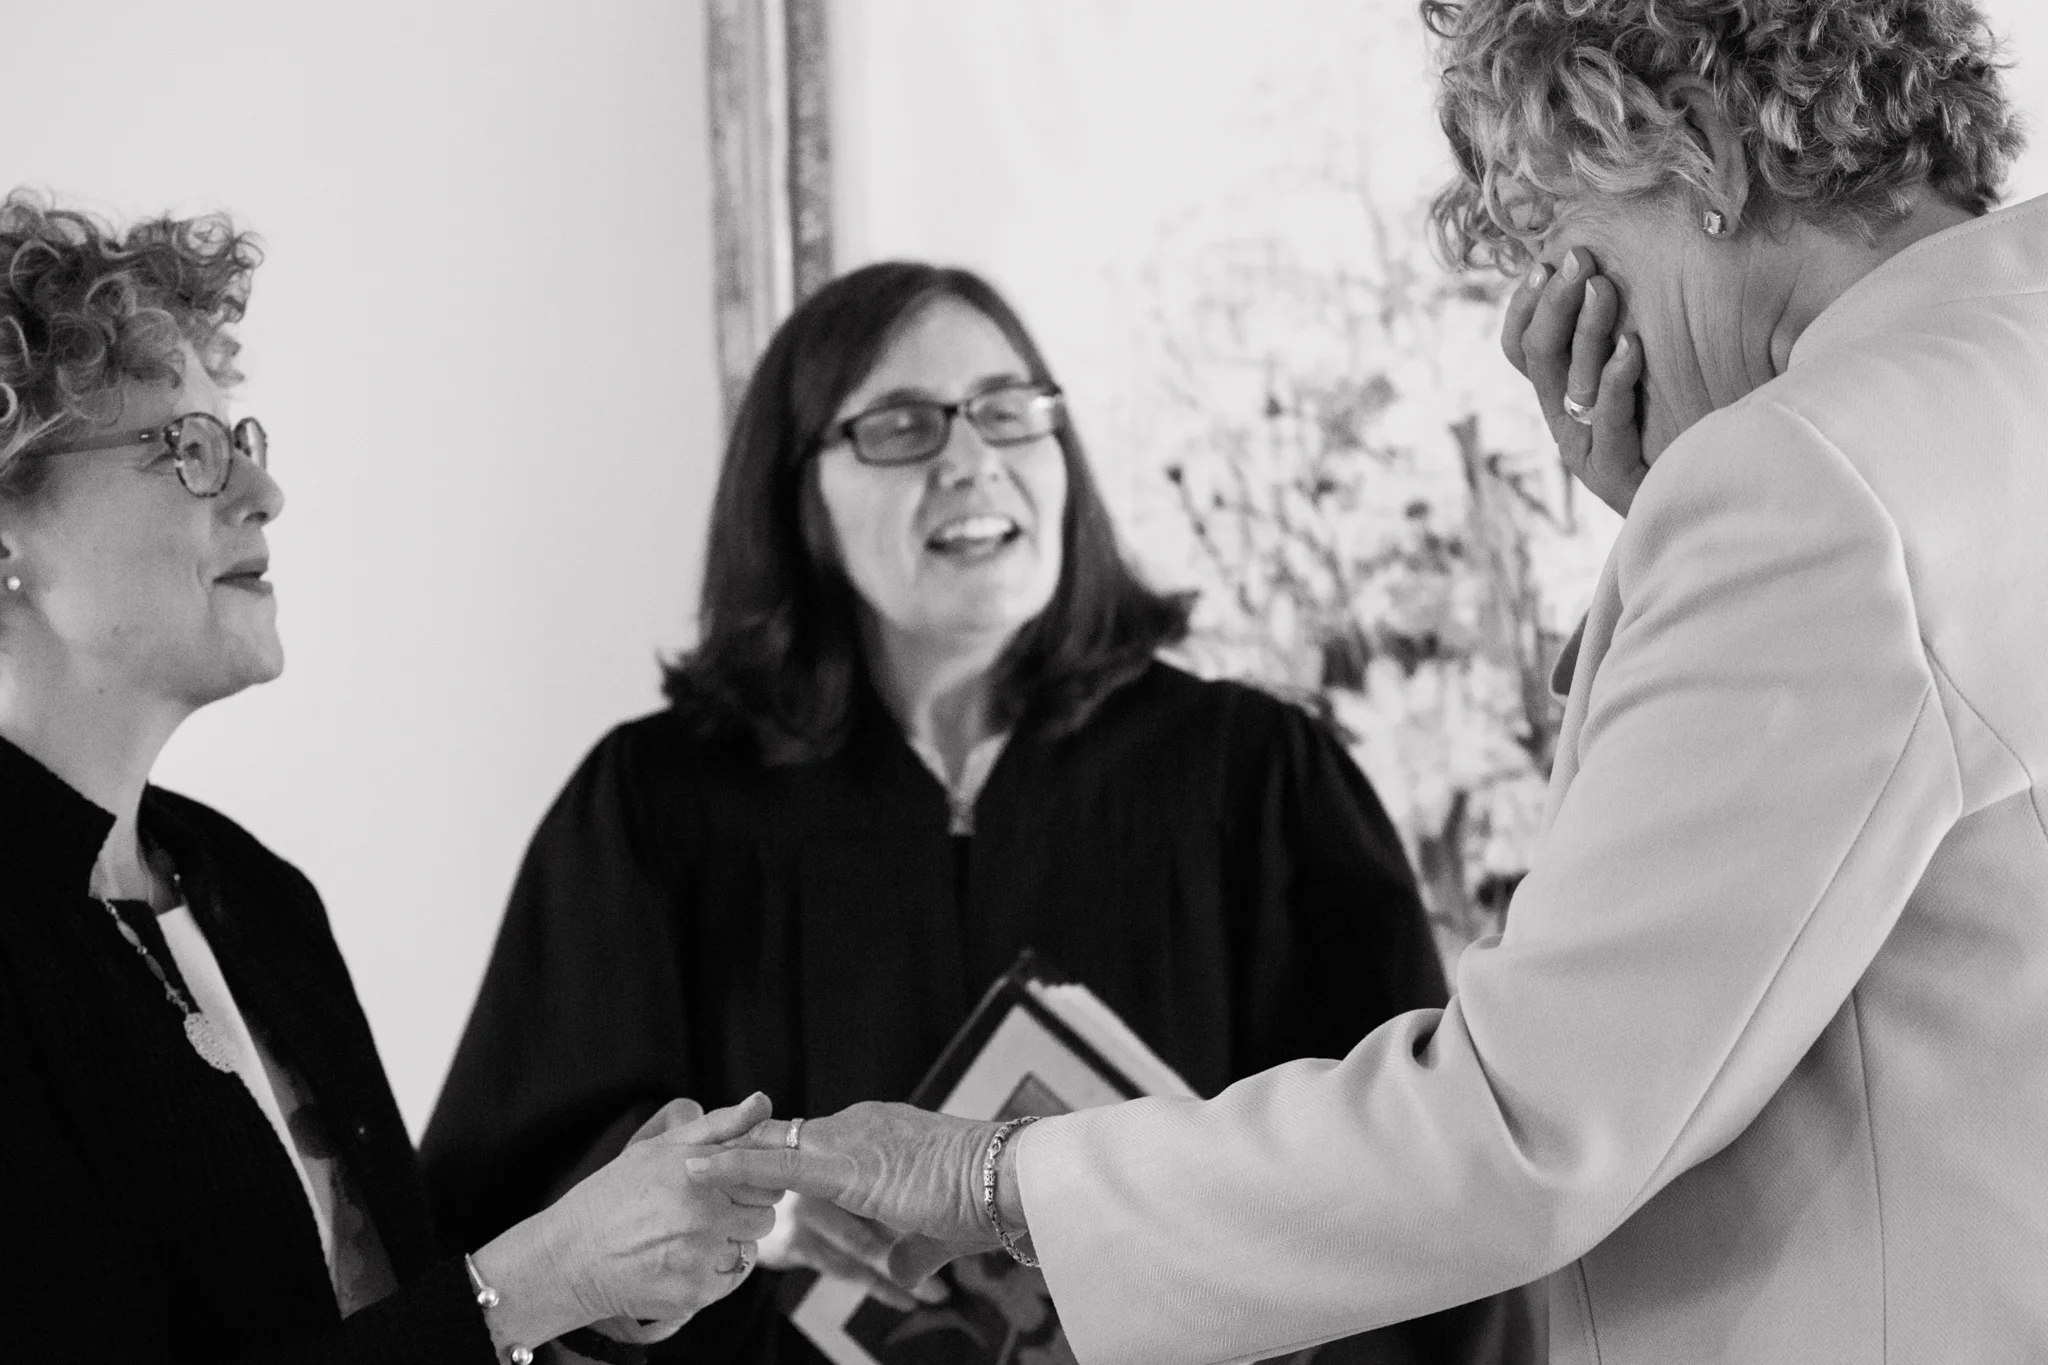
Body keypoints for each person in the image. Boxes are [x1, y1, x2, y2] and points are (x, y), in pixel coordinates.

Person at [687, 2, 2048, 1363]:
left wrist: (987, 1179)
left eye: (1554, 233)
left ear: (1685, 146)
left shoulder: (1806, 484)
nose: (1554, 318)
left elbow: (1522, 1121)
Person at [421, 261, 1526, 1363]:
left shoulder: (1255, 777)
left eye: (1009, 414)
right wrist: (719, 1207)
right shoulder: (654, 810)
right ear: (796, 491)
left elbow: (1413, 1179)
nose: (970, 460)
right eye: (902, 426)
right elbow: (520, 1211)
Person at [0, 190, 782, 1365]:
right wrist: (530, 1282)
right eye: (189, 451)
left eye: (243, 444)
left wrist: (595, 1281)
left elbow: (381, 1312)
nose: (265, 497)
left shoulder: (249, 892)